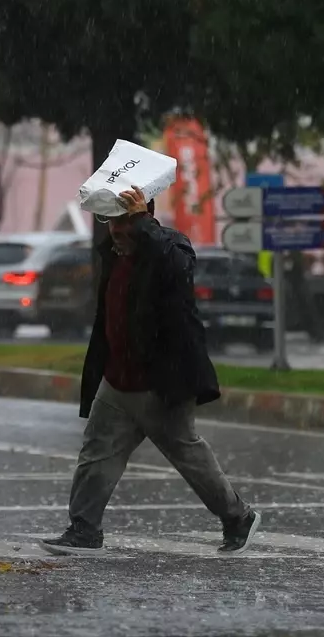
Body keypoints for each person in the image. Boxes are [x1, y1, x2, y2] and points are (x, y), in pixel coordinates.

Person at [40, 186, 261, 556]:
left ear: (145, 217)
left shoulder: (171, 249)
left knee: (188, 455)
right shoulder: (113, 256)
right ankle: (84, 530)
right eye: (112, 221)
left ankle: (238, 517)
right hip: (117, 381)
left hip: (161, 383)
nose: (117, 230)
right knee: (97, 454)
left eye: (127, 221)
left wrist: (144, 223)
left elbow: (177, 267)